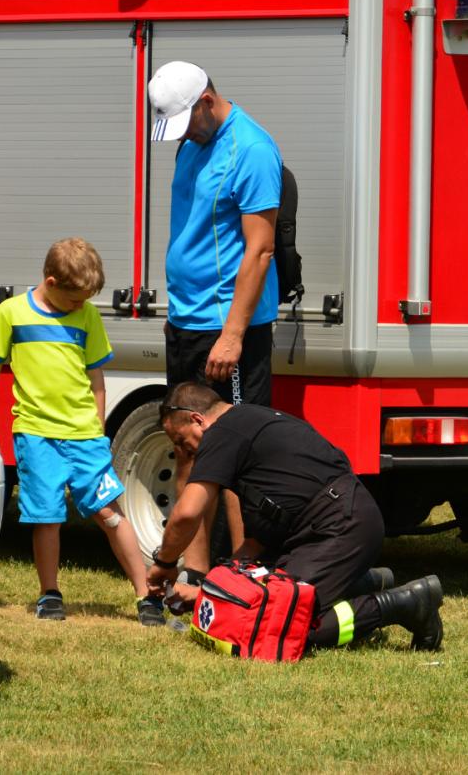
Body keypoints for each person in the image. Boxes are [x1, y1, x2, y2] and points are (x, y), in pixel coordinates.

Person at [147, 382, 444, 652]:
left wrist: (164, 565)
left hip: (341, 526)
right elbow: (254, 546)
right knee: (262, 603)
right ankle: (365, 583)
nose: (183, 451)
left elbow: (187, 514)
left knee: (288, 624)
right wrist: (210, 592)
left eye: (181, 440)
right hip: (339, 521)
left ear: (197, 420)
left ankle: (406, 604)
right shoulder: (247, 427)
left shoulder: (222, 433)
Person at [0, 237, 165, 626]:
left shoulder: (87, 316)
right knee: (47, 517)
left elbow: (95, 377)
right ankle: (50, 594)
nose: (80, 306)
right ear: (50, 282)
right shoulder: (11, 314)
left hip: (84, 437)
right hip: (36, 436)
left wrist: (98, 428)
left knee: (109, 512)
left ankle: (145, 595)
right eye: (74, 299)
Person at [148, 60, 282, 577]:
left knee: (239, 456)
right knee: (188, 447)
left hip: (225, 332)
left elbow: (260, 250)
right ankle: (195, 575)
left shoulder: (252, 149)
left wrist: (232, 335)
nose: (184, 135)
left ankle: (245, 578)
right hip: (187, 322)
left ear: (207, 100)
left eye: (188, 123)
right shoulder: (191, 143)